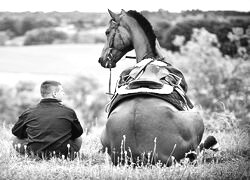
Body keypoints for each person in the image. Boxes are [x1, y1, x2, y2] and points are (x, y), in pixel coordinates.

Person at [12, 80, 83, 159]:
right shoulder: (69, 111)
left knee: (15, 139)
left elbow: (16, 132)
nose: (63, 93)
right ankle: (69, 155)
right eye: (62, 91)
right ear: (54, 94)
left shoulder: (28, 111)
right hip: (62, 153)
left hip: (35, 152)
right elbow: (78, 133)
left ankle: (31, 155)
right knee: (78, 139)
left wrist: (32, 133)